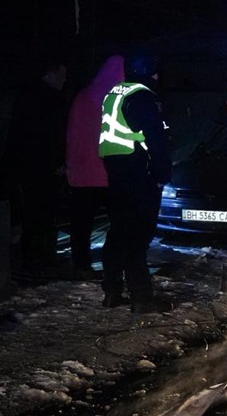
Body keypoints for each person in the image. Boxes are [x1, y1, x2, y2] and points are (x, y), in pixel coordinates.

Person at [99, 50, 173, 313]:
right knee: (138, 236)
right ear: (149, 71)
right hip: (138, 172)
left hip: (116, 172)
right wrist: (162, 174)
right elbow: (156, 139)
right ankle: (141, 298)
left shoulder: (115, 92)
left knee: (118, 232)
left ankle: (112, 291)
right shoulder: (142, 96)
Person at [3, 53, 70, 277]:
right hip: (39, 167)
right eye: (61, 75)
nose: (64, 80)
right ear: (50, 74)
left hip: (27, 166)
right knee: (41, 213)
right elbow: (46, 136)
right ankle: (39, 259)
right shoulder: (45, 99)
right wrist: (56, 163)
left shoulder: (30, 96)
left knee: (35, 213)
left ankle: (35, 259)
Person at [65, 53, 124, 278]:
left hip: (80, 172)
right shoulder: (114, 99)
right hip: (106, 172)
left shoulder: (83, 96)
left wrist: (69, 163)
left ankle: (80, 263)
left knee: (81, 223)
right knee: (118, 221)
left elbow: (72, 133)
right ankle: (115, 263)